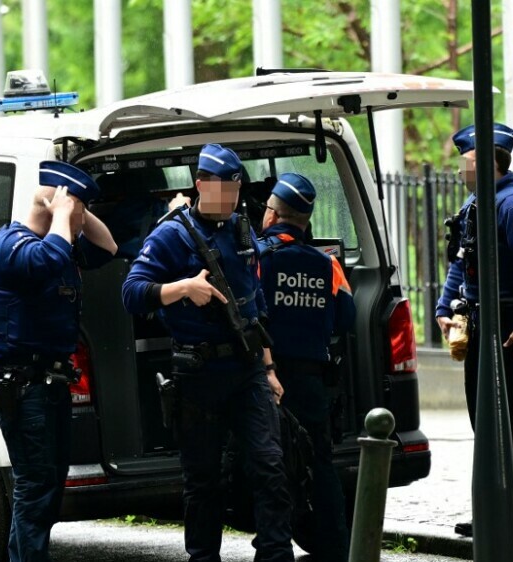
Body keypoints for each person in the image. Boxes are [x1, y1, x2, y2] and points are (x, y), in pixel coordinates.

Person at [122, 144, 294, 562]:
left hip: (247, 367)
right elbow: (131, 294)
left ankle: (274, 554)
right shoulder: (170, 235)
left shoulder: (241, 228)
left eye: (236, 190)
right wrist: (182, 288)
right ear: (201, 184)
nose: (231, 199)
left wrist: (269, 367)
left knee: (270, 465)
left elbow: (255, 305)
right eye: (222, 190)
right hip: (198, 374)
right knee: (203, 481)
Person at [0, 160, 117, 562]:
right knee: (35, 487)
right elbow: (47, 259)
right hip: (24, 390)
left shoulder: (61, 242)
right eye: (79, 210)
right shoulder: (10, 248)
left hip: (50, 387)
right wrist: (60, 211)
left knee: (48, 486)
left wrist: (78, 210)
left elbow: (107, 248)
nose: (80, 222)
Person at [434, 123, 513, 540]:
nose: (461, 170)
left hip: (508, 326)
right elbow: (461, 260)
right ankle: (494, 505)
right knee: (484, 418)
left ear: (485, 162)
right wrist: (446, 306)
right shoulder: (476, 203)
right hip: (482, 321)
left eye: (466, 163)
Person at [256, 172, 355, 561]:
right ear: (305, 220)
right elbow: (346, 317)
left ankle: (274, 544)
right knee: (319, 461)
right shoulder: (327, 264)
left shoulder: (260, 259)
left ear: (273, 214)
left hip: (267, 378)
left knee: (269, 461)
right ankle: (335, 547)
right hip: (313, 380)